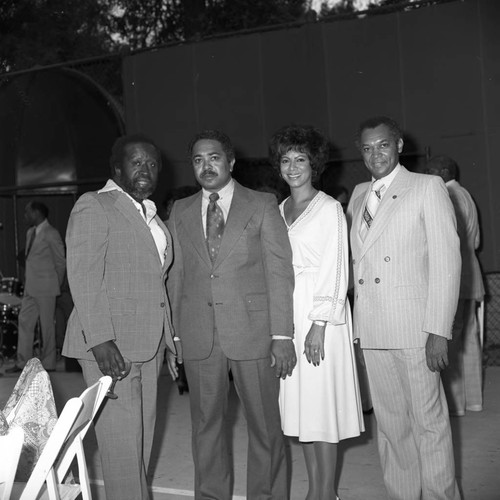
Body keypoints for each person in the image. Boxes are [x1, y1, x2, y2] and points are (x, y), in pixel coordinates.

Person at [167, 129, 296, 500]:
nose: (206, 166)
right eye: (197, 160)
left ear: (231, 161)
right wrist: (174, 337)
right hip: (199, 337)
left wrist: (282, 335)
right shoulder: (181, 210)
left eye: (214, 158)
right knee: (205, 426)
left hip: (253, 332)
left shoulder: (262, 203)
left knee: (265, 428)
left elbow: (279, 271)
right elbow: (176, 276)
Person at [346, 116, 462, 499]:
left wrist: (438, 331)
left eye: (382, 145)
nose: (374, 154)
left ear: (399, 146)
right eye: (366, 148)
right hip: (374, 328)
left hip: (415, 329)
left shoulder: (426, 187)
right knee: (392, 428)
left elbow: (447, 263)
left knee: (429, 425)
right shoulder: (360, 193)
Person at [62, 134, 176, 500]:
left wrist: (170, 340)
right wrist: (99, 340)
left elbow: (155, 283)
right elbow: (83, 275)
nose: (146, 169)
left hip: (148, 344)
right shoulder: (94, 205)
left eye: (153, 164)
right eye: (137, 162)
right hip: (110, 347)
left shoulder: (152, 214)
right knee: (122, 449)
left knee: (137, 447)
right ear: (116, 168)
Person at [269, 124, 364, 500]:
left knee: (323, 410)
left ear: (314, 164)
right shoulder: (278, 209)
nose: (293, 167)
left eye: (301, 160)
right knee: (304, 412)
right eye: (286, 160)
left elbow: (336, 269)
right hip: (288, 316)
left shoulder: (329, 209)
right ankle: (316, 491)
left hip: (320, 317)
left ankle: (324, 493)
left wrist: (319, 324)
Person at [426, 155, 485, 416]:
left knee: (448, 340)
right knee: (469, 341)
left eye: (431, 170)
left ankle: (455, 405)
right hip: (471, 276)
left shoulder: (448, 196)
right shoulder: (467, 195)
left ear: (444, 171)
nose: (427, 175)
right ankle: (473, 401)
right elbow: (475, 242)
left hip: (455, 278)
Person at [7, 201, 65, 373]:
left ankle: (49, 363)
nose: (25, 216)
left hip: (47, 287)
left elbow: (61, 261)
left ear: (37, 213)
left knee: (47, 326)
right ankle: (23, 362)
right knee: (24, 321)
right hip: (31, 287)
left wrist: (57, 283)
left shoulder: (51, 233)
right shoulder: (30, 232)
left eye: (27, 213)